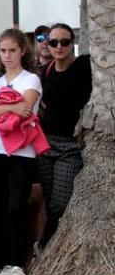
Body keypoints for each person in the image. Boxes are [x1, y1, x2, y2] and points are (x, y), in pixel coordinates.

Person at [0, 29, 43, 275]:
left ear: (22, 51)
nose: (7, 56)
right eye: (3, 51)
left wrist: (1, 110)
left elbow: (25, 109)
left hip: (22, 153)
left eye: (12, 50)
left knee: (17, 207)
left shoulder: (31, 80)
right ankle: (4, 261)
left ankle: (19, 263)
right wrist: (9, 107)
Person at [37, 22, 91, 247]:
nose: (59, 46)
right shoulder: (44, 74)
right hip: (45, 145)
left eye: (65, 42)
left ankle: (47, 245)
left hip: (70, 147)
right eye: (53, 42)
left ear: (72, 43)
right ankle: (45, 248)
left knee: (60, 202)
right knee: (49, 202)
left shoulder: (84, 65)